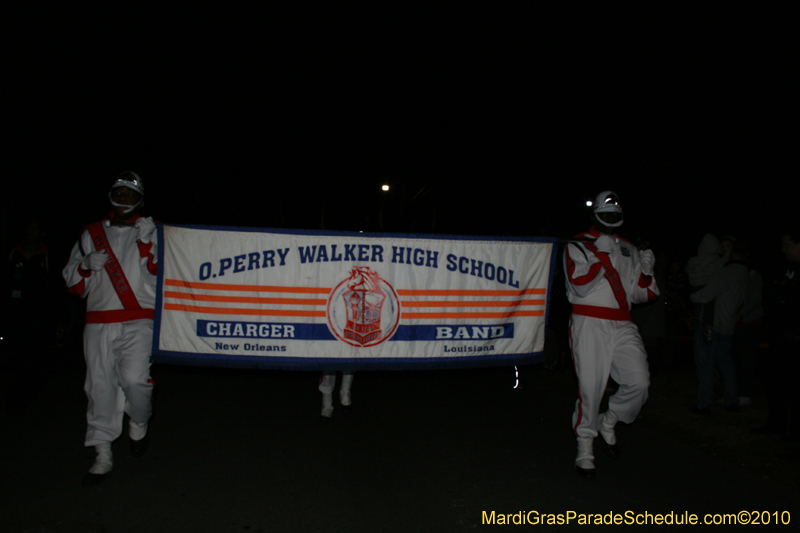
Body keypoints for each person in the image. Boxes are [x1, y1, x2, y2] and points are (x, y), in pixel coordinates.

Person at [63, 171, 158, 486]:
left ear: (141, 199)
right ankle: (102, 455)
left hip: (140, 318)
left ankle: (140, 421)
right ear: (111, 196)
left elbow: (166, 281)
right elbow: (74, 285)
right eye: (120, 191)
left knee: (135, 380)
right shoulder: (90, 232)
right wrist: (85, 265)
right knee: (100, 387)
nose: (125, 198)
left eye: (131, 194)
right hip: (99, 320)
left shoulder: (153, 231)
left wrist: (148, 246)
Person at [564, 191, 658, 478]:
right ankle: (585, 447)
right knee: (591, 387)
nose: (610, 220)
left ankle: (609, 420)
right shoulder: (578, 244)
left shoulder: (629, 247)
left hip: (622, 322)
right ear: (595, 216)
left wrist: (646, 272)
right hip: (589, 322)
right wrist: (600, 256)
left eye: (615, 215)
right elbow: (579, 285)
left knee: (639, 382)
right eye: (606, 215)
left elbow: (642, 295)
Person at [689, 241, 749, 413]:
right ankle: (732, 401)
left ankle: (704, 404)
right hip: (728, 325)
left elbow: (705, 296)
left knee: (705, 364)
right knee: (726, 363)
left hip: (713, 324)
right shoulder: (744, 272)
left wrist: (692, 296)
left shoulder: (727, 273)